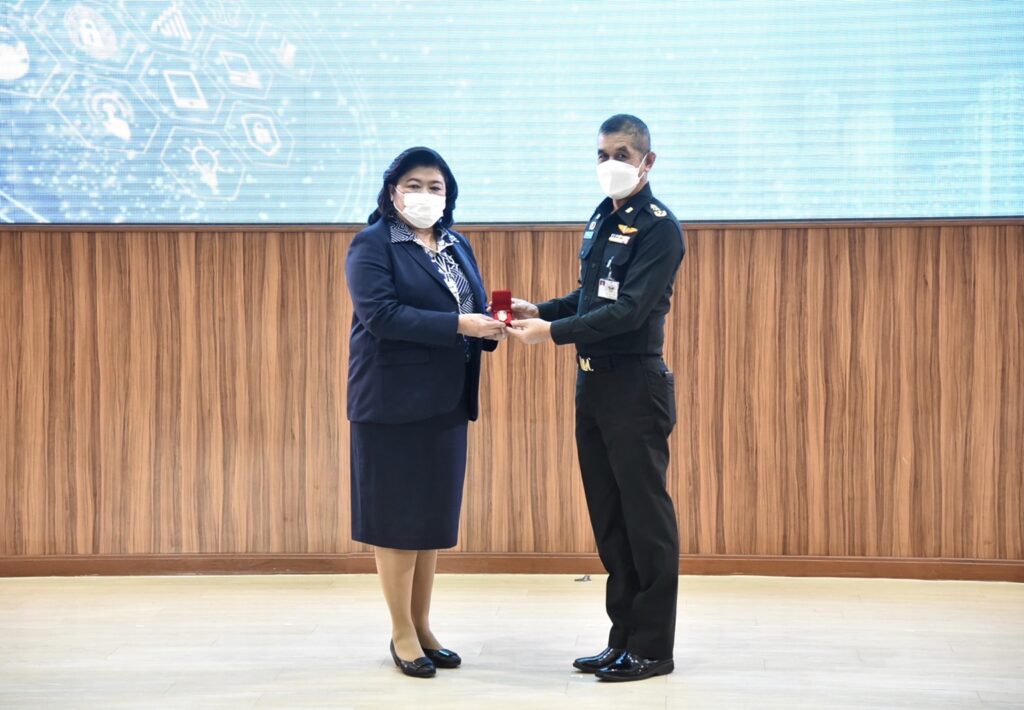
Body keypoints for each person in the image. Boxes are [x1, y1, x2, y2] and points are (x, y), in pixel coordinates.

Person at [508, 115, 685, 682]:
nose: (611, 163)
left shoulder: (660, 229)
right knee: (610, 519)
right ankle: (622, 638)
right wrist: (542, 310)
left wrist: (552, 333)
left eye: (623, 154)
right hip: (594, 386)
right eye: (603, 154)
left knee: (645, 520)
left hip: (634, 385)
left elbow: (629, 311)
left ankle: (653, 647)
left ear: (648, 161)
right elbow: (592, 296)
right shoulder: (602, 216)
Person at [345, 146, 506, 678]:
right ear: (393, 192)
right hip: (391, 402)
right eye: (413, 185)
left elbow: (470, 306)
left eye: (435, 187)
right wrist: (460, 325)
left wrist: (494, 323)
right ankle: (401, 633)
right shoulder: (372, 245)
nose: (424, 195)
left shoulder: (456, 243)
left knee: (430, 520)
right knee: (398, 522)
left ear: (448, 195)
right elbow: (382, 315)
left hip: (446, 401)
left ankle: (423, 625)